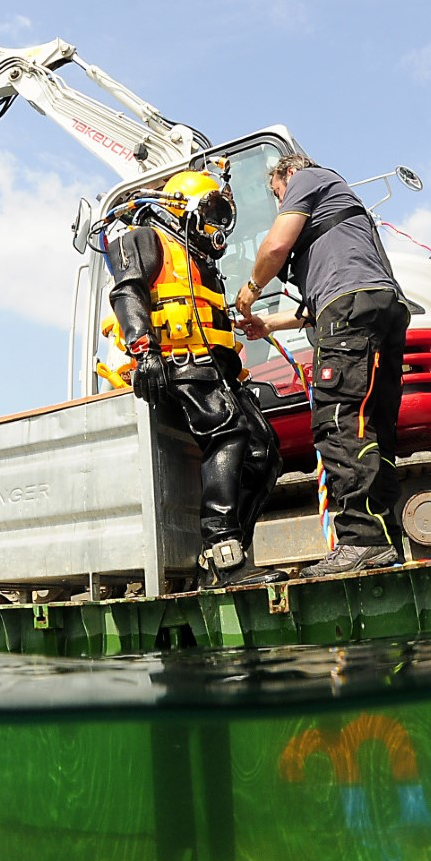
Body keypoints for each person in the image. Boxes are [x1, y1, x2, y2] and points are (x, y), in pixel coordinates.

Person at [106, 169, 284, 589]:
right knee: (228, 435)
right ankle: (223, 555)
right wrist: (144, 349)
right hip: (179, 364)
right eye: (212, 212)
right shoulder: (146, 239)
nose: (217, 226)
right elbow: (126, 292)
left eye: (224, 216)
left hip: (218, 372)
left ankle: (227, 556)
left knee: (265, 457)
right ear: (184, 209)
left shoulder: (201, 263)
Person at [234, 154, 408, 577]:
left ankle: (358, 540)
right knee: (374, 428)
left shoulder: (306, 178)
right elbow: (321, 304)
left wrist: (251, 289)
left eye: (277, 193)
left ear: (286, 173)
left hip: (348, 311)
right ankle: (383, 543)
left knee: (338, 420)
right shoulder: (344, 219)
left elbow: (276, 245)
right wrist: (268, 324)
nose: (280, 202)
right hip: (379, 308)